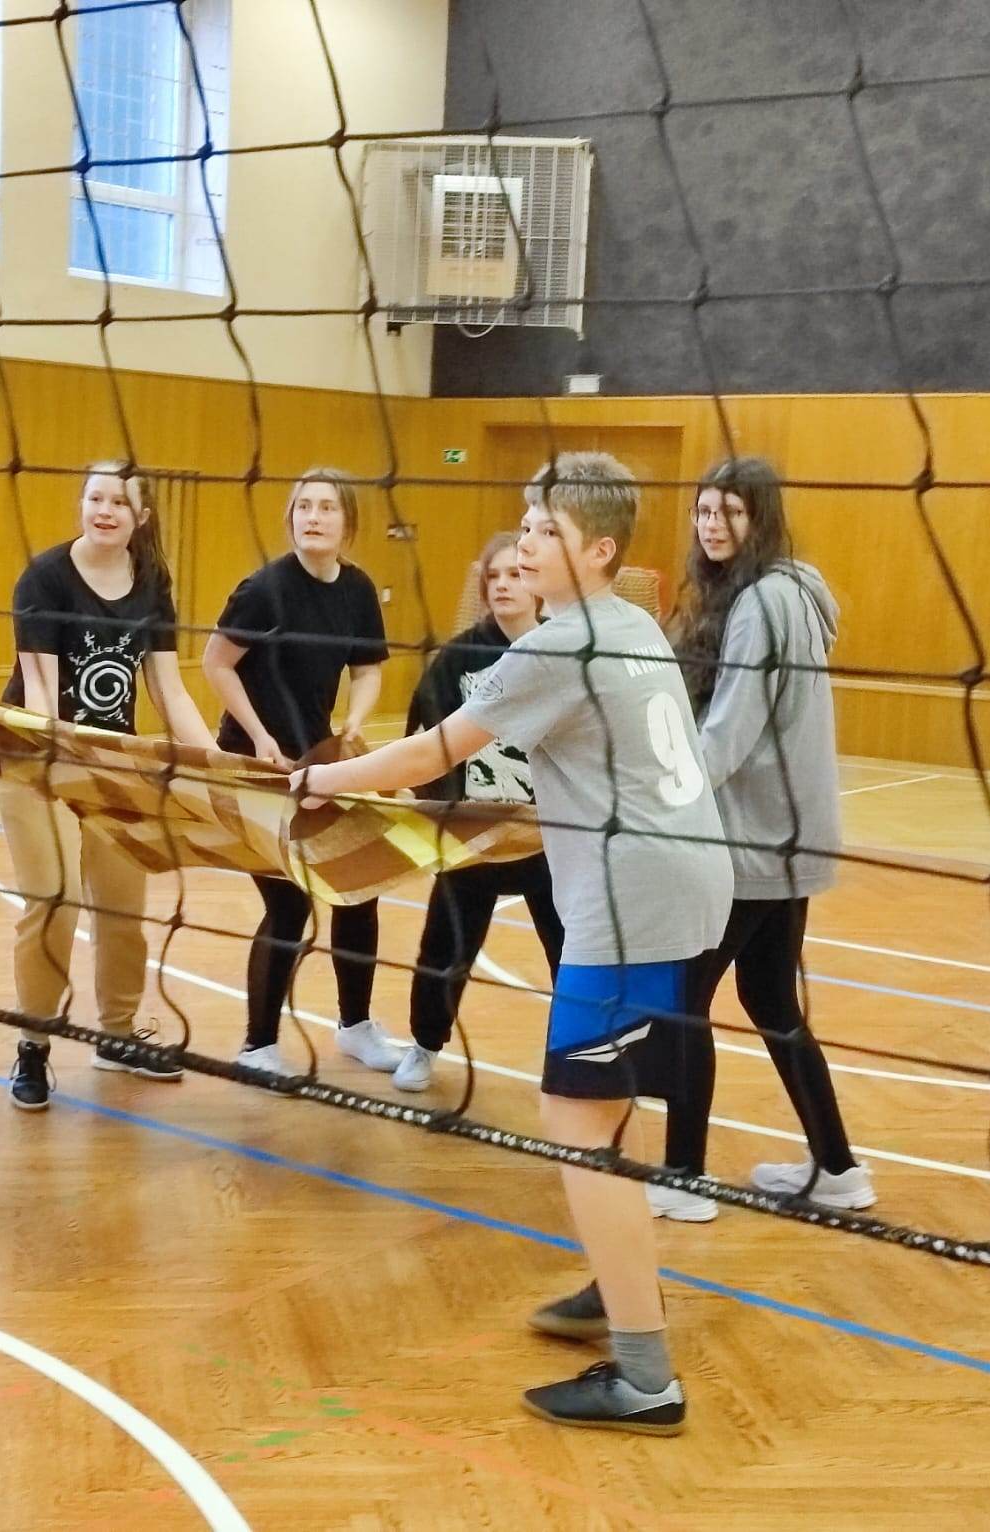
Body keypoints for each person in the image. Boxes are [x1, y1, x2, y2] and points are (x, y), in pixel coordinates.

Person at [296, 452, 730, 1435]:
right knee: (603, 1104)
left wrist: (323, 779)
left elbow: (431, 752)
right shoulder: (629, 623)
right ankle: (618, 1284)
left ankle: (645, 1377)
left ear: (599, 549)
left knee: (574, 1113)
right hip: (679, 878)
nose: (525, 542)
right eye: (525, 524)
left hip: (634, 900)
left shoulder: (563, 643)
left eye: (546, 530)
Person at [649, 456, 874, 1215]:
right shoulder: (786, 594)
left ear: (762, 519)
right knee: (771, 997)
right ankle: (838, 1169)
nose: (712, 524)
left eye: (731, 512)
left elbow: (732, 728)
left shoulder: (763, 603)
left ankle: (683, 1179)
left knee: (683, 998)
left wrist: (662, 793)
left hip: (752, 842)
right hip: (786, 838)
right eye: (704, 511)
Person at [0, 462, 218, 1111]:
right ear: (82, 505)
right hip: (35, 760)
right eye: (95, 497)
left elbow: (168, 689)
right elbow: (40, 694)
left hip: (114, 765)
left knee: (123, 907)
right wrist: (62, 766)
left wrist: (215, 765)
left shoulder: (151, 581)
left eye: (120, 501)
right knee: (56, 901)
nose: (105, 509)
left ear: (140, 517)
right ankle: (33, 1044)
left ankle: (116, 1035)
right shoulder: (44, 577)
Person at [201, 469, 408, 1079]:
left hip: (317, 766)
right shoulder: (264, 589)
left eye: (326, 507)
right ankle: (257, 1047)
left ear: (348, 522)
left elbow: (367, 668)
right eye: (304, 507)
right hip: (253, 766)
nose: (313, 517)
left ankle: (356, 1027)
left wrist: (354, 722)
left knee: (359, 885)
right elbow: (217, 663)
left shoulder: (357, 589)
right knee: (289, 904)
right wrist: (260, 735)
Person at [395, 529, 562, 1093]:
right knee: (445, 947)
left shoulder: (561, 650)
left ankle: (575, 1057)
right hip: (472, 835)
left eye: (515, 573)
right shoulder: (459, 658)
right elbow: (424, 737)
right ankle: (424, 1044)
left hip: (548, 837)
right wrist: (443, 808)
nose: (504, 585)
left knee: (573, 952)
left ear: (537, 582)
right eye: (494, 576)